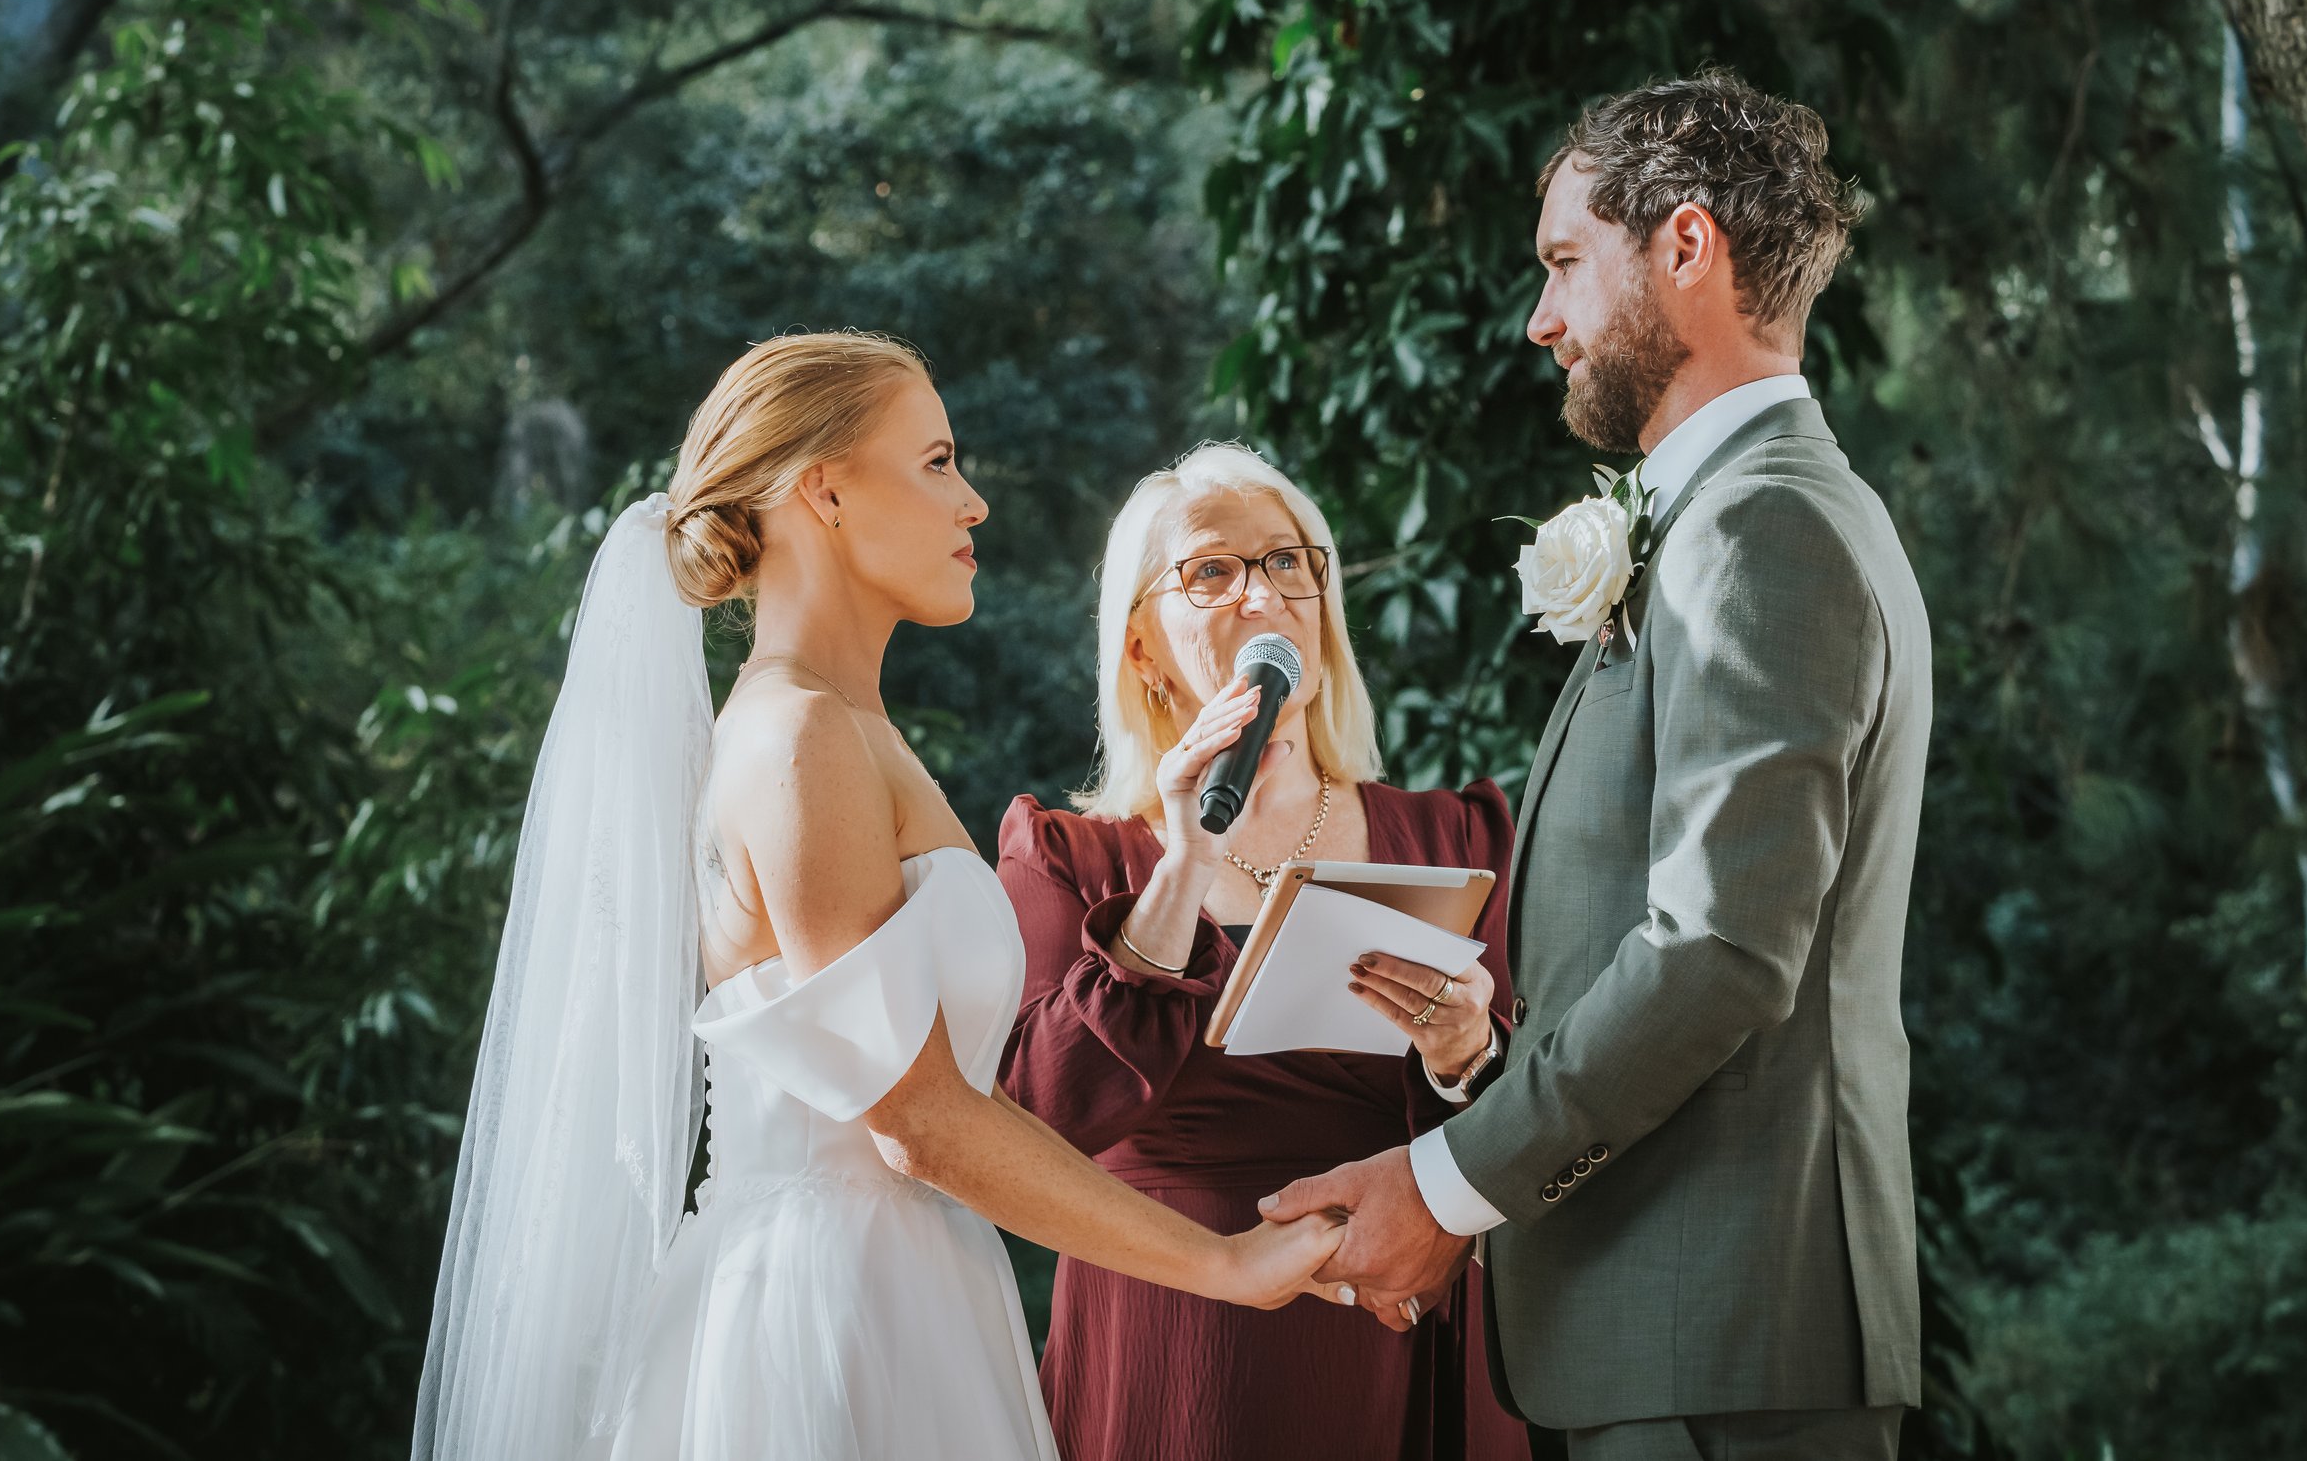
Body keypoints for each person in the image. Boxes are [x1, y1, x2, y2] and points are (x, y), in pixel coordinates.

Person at [412, 334, 1345, 1461]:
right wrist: (1223, 1266)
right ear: (825, 490)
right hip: (828, 1316)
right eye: (938, 461)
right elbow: (914, 1117)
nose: (977, 502)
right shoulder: (798, 736)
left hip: (915, 1286)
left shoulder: (850, 730)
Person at [1262, 73, 1933, 1461]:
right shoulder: (1733, 520)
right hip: (1673, 1333)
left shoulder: (1762, 532)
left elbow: (1720, 952)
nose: (1542, 319)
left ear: (1686, 248)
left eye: (1567, 264)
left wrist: (1448, 1188)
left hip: (1721, 1346)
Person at [998, 442, 1530, 1461]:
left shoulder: (1462, 836)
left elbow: (1540, 1117)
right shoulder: (1066, 857)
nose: (1265, 596)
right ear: (1142, 647)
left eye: (1289, 563)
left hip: (1400, 1334)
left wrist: (1466, 1054)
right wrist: (1182, 863)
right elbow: (1033, 1124)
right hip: (1171, 1350)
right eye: (1211, 571)